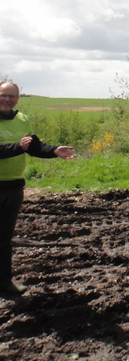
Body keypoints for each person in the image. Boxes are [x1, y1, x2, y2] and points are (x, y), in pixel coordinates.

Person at [0, 82, 76, 295]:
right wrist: (17, 147)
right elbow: (20, 147)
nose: (7, 99)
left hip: (14, 187)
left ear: (17, 98)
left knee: (4, 239)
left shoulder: (21, 119)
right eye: (3, 95)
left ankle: (4, 282)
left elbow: (33, 146)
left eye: (12, 96)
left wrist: (53, 150)